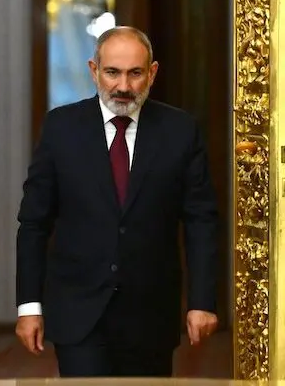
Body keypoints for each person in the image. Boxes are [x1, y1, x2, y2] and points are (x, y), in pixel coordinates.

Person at [14, 26, 219, 377]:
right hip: (79, 311)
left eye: (135, 73)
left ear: (152, 73)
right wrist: (29, 306)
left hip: (150, 315)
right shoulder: (61, 128)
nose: (123, 86)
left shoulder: (180, 131)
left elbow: (201, 220)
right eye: (112, 72)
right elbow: (34, 222)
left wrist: (202, 301)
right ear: (94, 70)